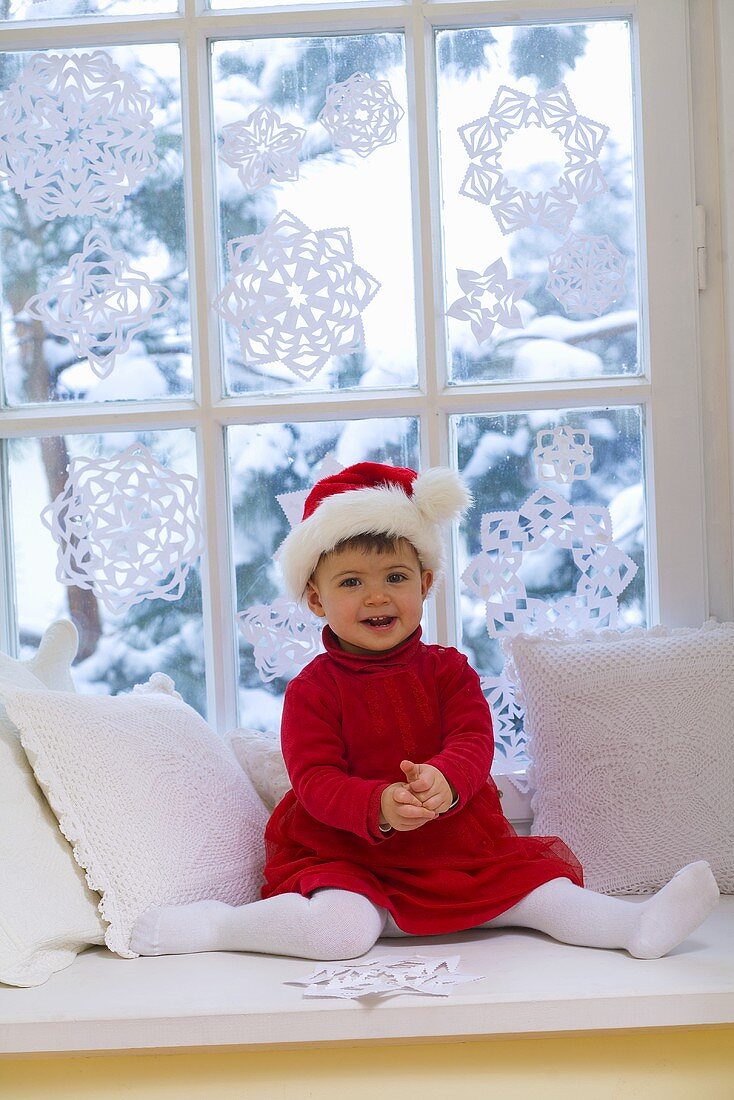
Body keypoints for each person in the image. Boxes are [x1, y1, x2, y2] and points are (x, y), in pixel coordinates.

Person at [131, 462, 720, 962]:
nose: (377, 595)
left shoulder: (448, 669)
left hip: (455, 850)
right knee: (340, 933)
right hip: (351, 854)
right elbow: (314, 780)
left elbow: (471, 740)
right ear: (315, 598)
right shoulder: (313, 689)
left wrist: (444, 779)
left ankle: (634, 927)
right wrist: (379, 804)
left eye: (395, 577)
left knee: (544, 892)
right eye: (351, 582)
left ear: (426, 583)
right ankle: (217, 927)